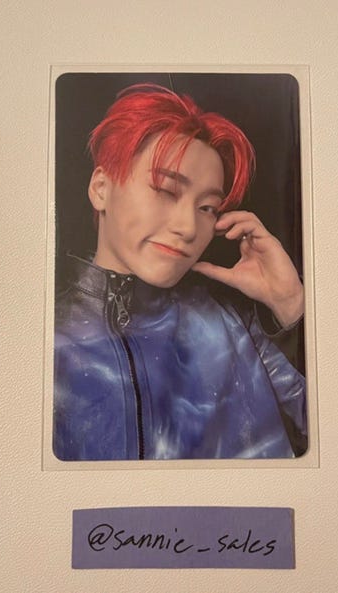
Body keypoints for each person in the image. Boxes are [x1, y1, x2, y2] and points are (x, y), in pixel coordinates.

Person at [53, 83, 307, 461]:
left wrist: (292, 305)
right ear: (101, 188)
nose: (189, 228)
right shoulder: (40, 342)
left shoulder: (234, 324)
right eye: (166, 190)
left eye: (207, 208)